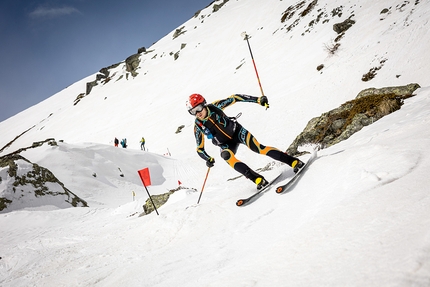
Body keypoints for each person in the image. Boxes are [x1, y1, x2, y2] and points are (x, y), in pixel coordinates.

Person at [186, 93, 304, 190]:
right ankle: (257, 179)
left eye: (198, 108)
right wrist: (207, 158)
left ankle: (293, 161)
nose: (197, 113)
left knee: (258, 148)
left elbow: (235, 98)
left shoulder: (215, 107)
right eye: (193, 112)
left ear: (204, 104)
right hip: (225, 144)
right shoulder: (198, 126)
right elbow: (199, 149)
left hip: (237, 132)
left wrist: (258, 100)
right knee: (226, 156)